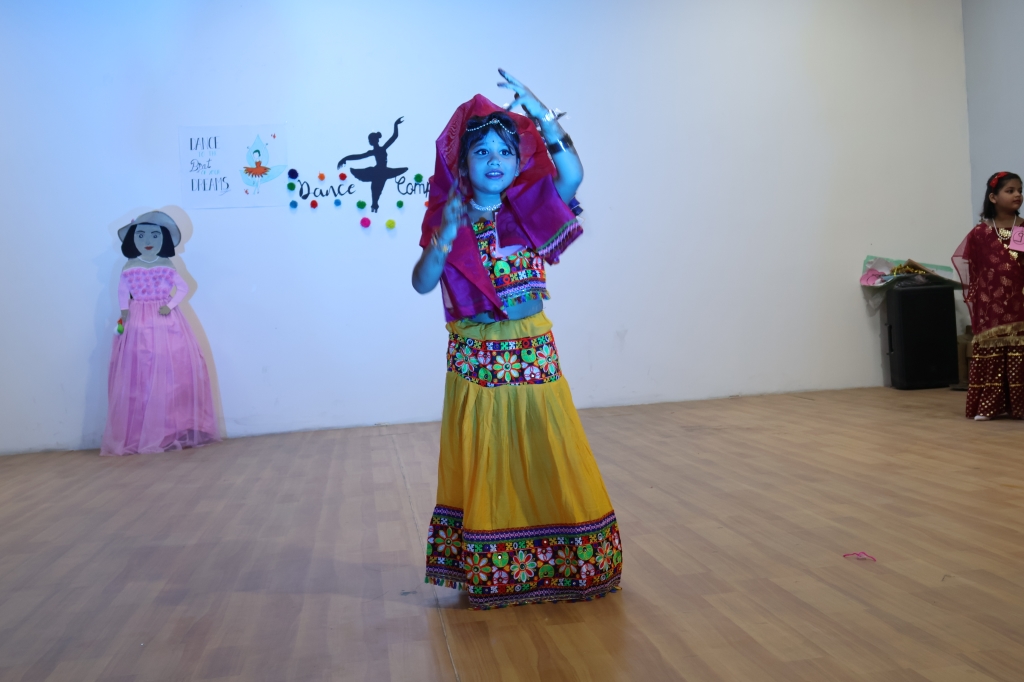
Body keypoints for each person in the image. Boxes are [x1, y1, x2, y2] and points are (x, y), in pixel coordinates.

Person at [413, 70, 622, 609]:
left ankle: (562, 560)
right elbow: (422, 282)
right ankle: (494, 566)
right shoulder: (449, 216)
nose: (494, 161)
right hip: (475, 354)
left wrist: (541, 113)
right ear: (463, 162)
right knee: (489, 453)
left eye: (505, 151)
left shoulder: (529, 208)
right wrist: (443, 238)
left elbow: (572, 172)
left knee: (545, 443)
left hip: (529, 346)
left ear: (518, 159)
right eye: (481, 151)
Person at [101, 211, 219, 455]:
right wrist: (124, 311)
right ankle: (142, 430)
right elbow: (123, 291)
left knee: (172, 368)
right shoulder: (130, 266)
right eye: (141, 235)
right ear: (132, 239)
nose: (148, 241)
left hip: (166, 320)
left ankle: (172, 427)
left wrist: (170, 304)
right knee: (141, 369)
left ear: (163, 239)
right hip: (138, 321)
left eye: (155, 235)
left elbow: (183, 288)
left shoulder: (166, 265)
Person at [953, 172, 1024, 420]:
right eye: (1010, 190)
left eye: (1019, 190)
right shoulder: (981, 232)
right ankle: (988, 406)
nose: (1017, 195)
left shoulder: (1021, 228)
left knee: (1019, 349)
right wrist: (978, 295)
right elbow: (973, 267)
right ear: (993, 197)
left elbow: (1019, 263)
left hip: (1018, 301)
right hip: (990, 303)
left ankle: (1019, 406)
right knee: (991, 348)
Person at [337, 117, 408, 212]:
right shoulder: (378, 150)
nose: (369, 141)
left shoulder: (380, 149)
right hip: (380, 171)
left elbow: (394, 137)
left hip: (381, 171)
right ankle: (374, 204)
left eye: (370, 140)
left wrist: (395, 124)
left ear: (373, 141)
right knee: (376, 188)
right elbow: (358, 156)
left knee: (376, 188)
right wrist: (345, 158)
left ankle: (374, 205)